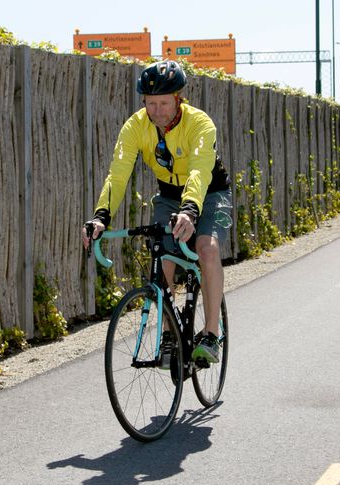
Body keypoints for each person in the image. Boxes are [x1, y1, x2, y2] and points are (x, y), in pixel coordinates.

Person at [82, 60, 232, 364]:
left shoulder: (200, 123)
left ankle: (211, 334)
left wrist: (190, 211)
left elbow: (200, 173)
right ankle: (168, 334)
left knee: (207, 249)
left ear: (179, 99)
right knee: (161, 256)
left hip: (210, 191)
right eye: (151, 103)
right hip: (168, 196)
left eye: (164, 103)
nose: (158, 111)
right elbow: (118, 174)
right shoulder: (135, 126)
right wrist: (101, 216)